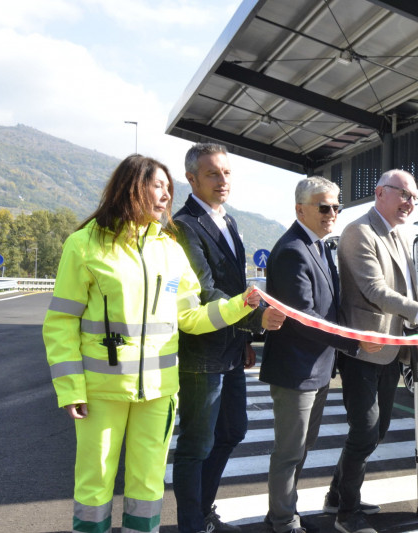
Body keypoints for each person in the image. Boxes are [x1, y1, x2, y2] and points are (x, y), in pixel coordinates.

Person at [42, 154, 263, 533]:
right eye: (157, 186)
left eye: (168, 187)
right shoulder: (84, 244)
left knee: (147, 486)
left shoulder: (170, 249)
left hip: (160, 393)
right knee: (95, 484)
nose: (165, 195)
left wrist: (237, 307)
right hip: (101, 391)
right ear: (131, 187)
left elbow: (191, 317)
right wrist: (70, 388)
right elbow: (61, 322)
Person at [325, 169, 418, 533]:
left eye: (414, 197)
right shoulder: (359, 231)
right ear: (379, 193)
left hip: (394, 349)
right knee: (366, 429)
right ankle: (347, 514)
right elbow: (375, 291)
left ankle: (337, 494)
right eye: (403, 194)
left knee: (379, 428)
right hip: (363, 349)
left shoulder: (402, 235)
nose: (410, 203)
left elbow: (410, 293)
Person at [171, 143, 286, 533]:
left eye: (227, 173)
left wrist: (243, 342)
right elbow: (205, 291)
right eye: (212, 174)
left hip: (230, 349)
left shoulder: (229, 221)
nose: (223, 181)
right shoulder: (185, 225)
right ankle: (192, 523)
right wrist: (256, 319)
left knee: (234, 431)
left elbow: (235, 284)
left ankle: (201, 511)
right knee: (195, 445)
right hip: (202, 351)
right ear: (191, 179)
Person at [260, 177, 382, 533]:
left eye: (336, 207)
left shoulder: (317, 246)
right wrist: (355, 344)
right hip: (295, 371)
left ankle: (284, 513)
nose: (333, 214)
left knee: (301, 447)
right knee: (289, 451)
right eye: (324, 207)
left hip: (315, 368)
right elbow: (305, 319)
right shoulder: (292, 251)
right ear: (300, 209)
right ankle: (282, 520)